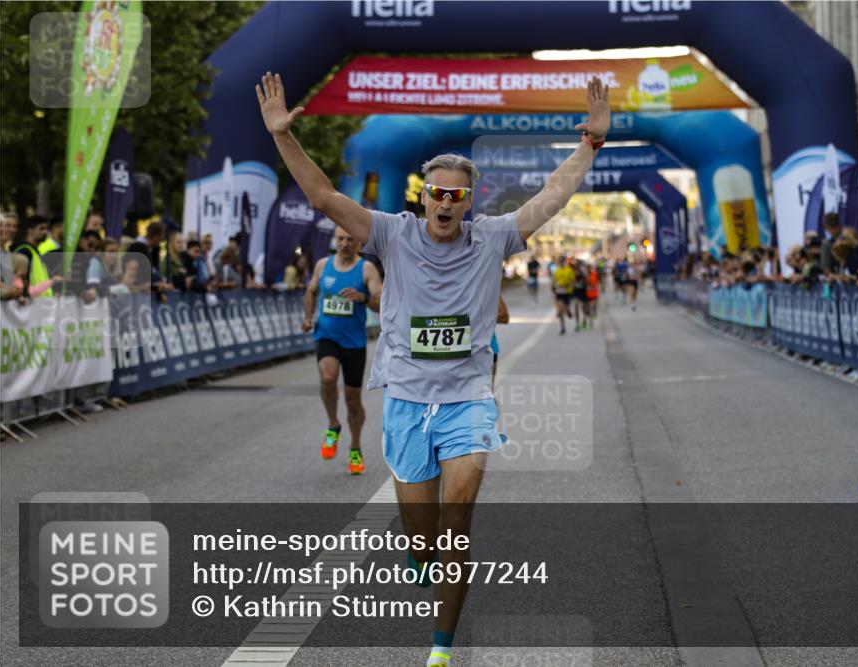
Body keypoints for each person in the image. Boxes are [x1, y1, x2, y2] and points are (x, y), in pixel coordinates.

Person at [258, 69, 610, 667]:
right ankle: (426, 563)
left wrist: (591, 144)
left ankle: (440, 651)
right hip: (404, 402)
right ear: (422, 195)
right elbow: (323, 198)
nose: (445, 202)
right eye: (436, 193)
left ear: (468, 201)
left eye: (456, 195)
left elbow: (551, 197)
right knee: (420, 535)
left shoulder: (493, 238)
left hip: (468, 398)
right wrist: (282, 136)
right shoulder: (390, 235)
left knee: (458, 515)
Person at [302, 226, 383, 475]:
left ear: (358, 243)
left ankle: (355, 447)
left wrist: (362, 299)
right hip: (327, 336)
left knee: (352, 399)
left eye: (350, 239)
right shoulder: (322, 265)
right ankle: (333, 424)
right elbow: (311, 291)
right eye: (340, 239)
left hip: (354, 342)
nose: (345, 243)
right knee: (327, 377)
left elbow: (381, 304)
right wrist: (308, 317)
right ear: (335, 240)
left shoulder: (366, 269)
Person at [13, 216, 54, 298]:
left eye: (46, 229)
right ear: (29, 230)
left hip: (39, 301)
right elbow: (18, 279)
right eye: (41, 229)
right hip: (29, 301)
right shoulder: (24, 251)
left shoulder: (35, 251)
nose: (45, 232)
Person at [552, 256, 576, 336]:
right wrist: (554, 288)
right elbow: (554, 282)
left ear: (564, 261)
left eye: (562, 261)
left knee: (565, 308)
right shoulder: (556, 271)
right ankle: (562, 327)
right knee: (560, 310)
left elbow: (573, 280)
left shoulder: (569, 270)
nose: (561, 262)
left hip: (568, 292)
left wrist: (568, 285)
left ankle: (568, 310)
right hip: (559, 292)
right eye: (559, 261)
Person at [490, 295, 509, 388]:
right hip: (444, 349)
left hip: (486, 349)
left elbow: (504, 316)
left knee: (485, 394)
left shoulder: (486, 286)